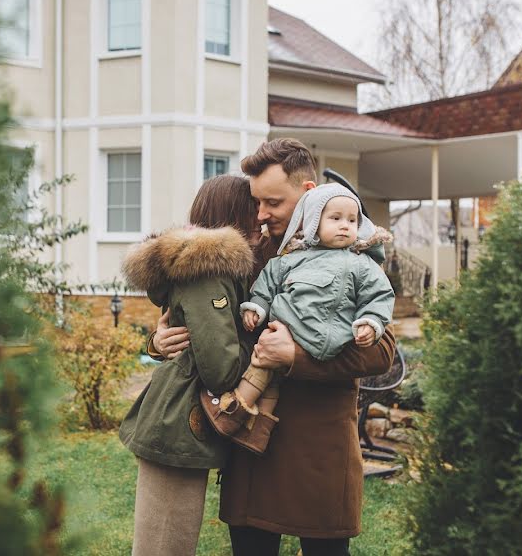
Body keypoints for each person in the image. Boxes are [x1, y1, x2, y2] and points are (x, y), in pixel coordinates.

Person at [150, 138, 397, 556]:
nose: (261, 215)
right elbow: (205, 317)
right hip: (252, 452)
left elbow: (382, 351)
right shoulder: (251, 251)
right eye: (256, 203)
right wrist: (158, 342)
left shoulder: (354, 254)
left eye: (272, 203)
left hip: (319, 450)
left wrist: (296, 358)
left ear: (305, 196)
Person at [118, 175, 267, 556]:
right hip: (177, 423)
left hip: (177, 418)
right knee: (165, 545)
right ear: (233, 215)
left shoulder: (207, 268)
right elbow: (220, 368)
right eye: (254, 210)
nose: (261, 218)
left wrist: (156, 344)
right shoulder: (207, 272)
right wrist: (268, 352)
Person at [208, 183, 395, 454]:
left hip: (326, 346)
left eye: (352, 220)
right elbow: (266, 286)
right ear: (312, 222)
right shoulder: (289, 258)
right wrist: (256, 307)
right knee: (263, 375)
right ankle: (249, 427)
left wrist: (370, 322)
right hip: (277, 333)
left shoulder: (362, 264)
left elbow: (379, 297)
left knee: (264, 370)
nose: (345, 226)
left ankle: (231, 413)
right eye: (336, 219)